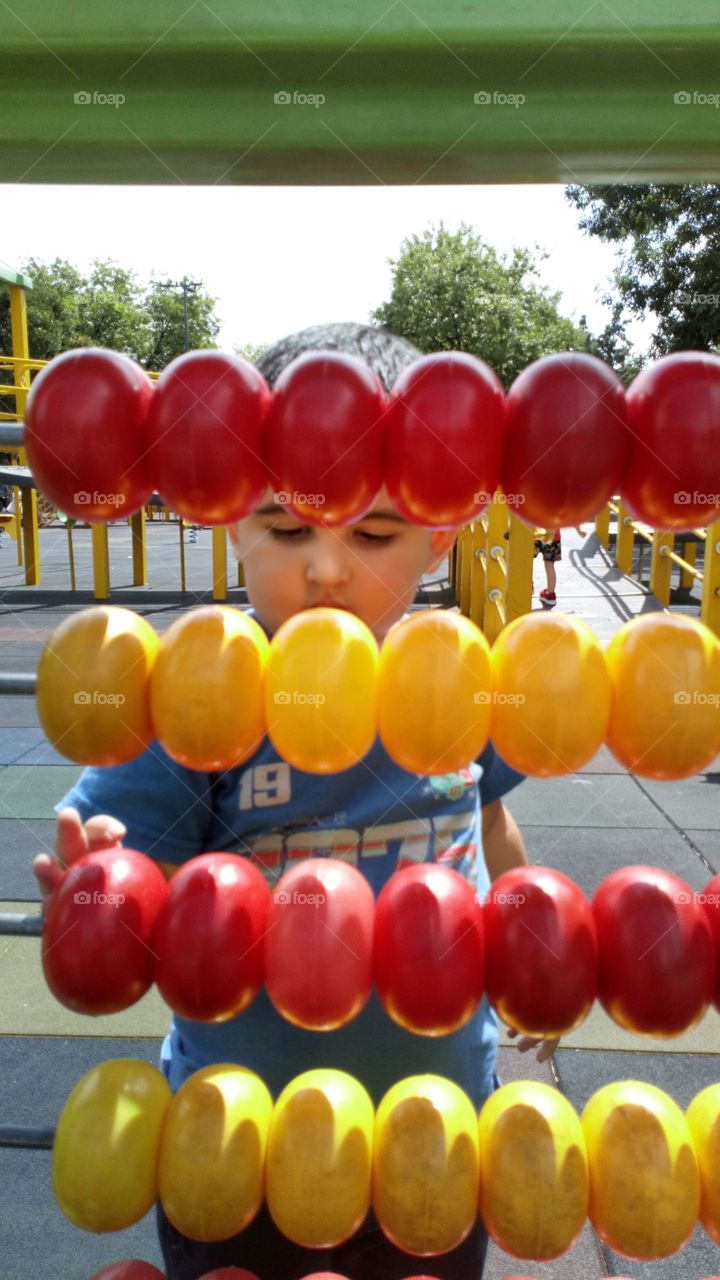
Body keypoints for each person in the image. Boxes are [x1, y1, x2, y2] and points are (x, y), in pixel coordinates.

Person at [33, 323, 556, 1280]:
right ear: (230, 516)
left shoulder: (459, 678)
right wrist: (101, 876)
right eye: (286, 529)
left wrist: (540, 951)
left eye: (374, 533)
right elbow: (128, 857)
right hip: (234, 1145)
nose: (324, 569)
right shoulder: (197, 692)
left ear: (440, 528)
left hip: (434, 1138)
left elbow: (489, 823)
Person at [534, 524, 587, 607]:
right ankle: (550, 595)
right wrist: (579, 531)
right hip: (553, 536)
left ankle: (528, 586)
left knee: (526, 560)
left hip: (535, 534)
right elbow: (572, 515)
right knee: (549, 565)